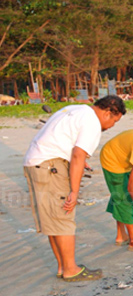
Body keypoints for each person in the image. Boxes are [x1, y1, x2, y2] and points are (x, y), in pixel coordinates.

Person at [23, 95, 126, 282]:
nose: (111, 126)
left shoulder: (75, 109)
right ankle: (71, 269)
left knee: (52, 220)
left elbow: (64, 142)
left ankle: (63, 266)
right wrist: (74, 191)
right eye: (114, 121)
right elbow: (78, 155)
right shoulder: (93, 122)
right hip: (50, 165)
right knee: (64, 217)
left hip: (34, 162)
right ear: (108, 112)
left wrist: (77, 163)